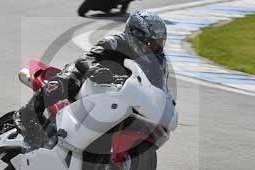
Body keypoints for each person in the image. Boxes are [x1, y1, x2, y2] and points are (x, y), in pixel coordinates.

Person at [14, 10, 168, 148]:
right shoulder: (115, 42)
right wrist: (94, 69)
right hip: (92, 83)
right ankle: (26, 114)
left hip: (121, 97)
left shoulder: (158, 63)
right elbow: (85, 59)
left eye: (156, 45)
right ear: (135, 35)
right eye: (149, 43)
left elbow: (160, 89)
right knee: (71, 79)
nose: (152, 48)